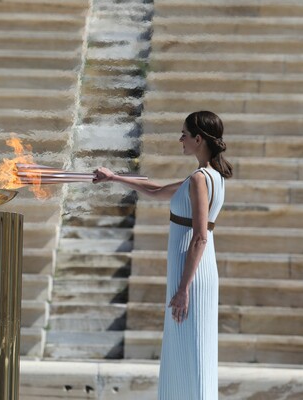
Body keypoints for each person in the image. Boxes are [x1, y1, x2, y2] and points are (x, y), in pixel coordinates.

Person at [93, 111, 232, 399]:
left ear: (198, 138)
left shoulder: (199, 179)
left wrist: (183, 288)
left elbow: (200, 236)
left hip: (191, 276)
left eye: (184, 133)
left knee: (192, 351)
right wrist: (114, 177)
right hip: (194, 274)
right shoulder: (209, 177)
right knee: (189, 350)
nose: (180, 138)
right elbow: (157, 190)